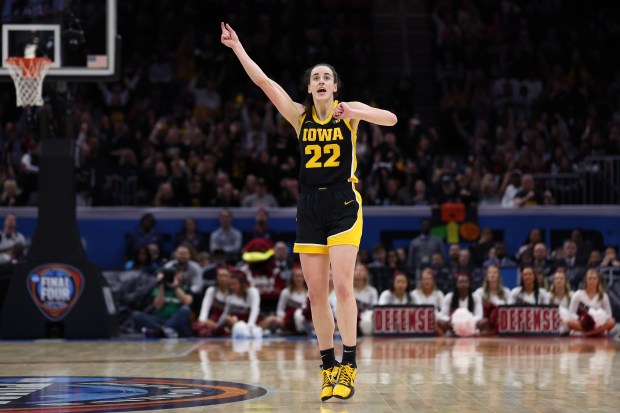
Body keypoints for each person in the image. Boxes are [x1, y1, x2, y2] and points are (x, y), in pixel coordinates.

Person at [221, 22, 398, 401]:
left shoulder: (348, 113)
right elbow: (265, 82)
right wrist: (238, 48)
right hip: (309, 205)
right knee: (316, 294)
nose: (321, 80)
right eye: (315, 77)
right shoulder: (299, 115)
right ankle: (328, 367)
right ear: (309, 87)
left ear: (335, 87)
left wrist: (358, 111)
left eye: (327, 77)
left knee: (343, 286)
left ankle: (348, 364)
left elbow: (392, 119)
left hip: (343, 202)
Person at [132, 268, 193, 338]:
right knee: (136, 315)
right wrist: (161, 285)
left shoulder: (184, 288)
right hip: (160, 319)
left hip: (176, 321)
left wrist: (175, 287)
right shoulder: (158, 288)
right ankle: (166, 330)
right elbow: (158, 306)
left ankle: (161, 331)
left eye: (177, 274)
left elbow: (187, 302)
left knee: (185, 309)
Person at [259, 265, 308, 334]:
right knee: (271, 319)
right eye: (296, 276)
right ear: (292, 278)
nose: (298, 279)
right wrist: (284, 318)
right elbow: (280, 310)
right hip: (288, 321)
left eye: (301, 276)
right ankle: (256, 331)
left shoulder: (308, 293)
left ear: (304, 278)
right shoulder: (286, 292)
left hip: (304, 321)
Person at [567, 268, 616, 336]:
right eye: (589, 279)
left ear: (598, 280)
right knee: (570, 322)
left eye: (594, 279)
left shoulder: (603, 295)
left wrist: (599, 320)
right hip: (582, 323)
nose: (592, 281)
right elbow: (571, 313)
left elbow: (609, 314)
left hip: (599, 324)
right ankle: (596, 332)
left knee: (612, 321)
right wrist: (582, 320)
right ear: (585, 280)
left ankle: (589, 333)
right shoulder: (578, 294)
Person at [194, 266, 231, 337]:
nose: (222, 279)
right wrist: (203, 320)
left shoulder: (233, 292)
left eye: (225, 276)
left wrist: (220, 325)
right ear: (217, 277)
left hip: (228, 321)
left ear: (230, 278)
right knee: (202, 331)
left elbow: (228, 312)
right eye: (220, 276)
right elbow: (205, 307)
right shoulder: (212, 290)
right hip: (213, 321)